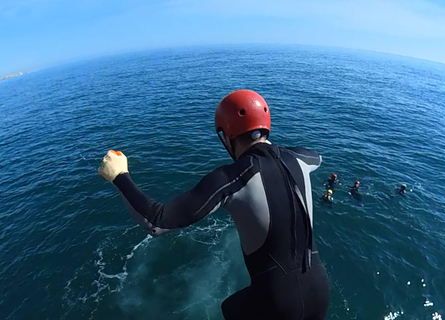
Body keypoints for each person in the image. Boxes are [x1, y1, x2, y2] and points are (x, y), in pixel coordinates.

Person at [98, 89, 330, 320]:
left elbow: (156, 222)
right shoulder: (300, 158)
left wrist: (119, 175)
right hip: (320, 291)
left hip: (276, 303)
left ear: (226, 135)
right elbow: (317, 156)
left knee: (231, 309)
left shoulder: (234, 177)